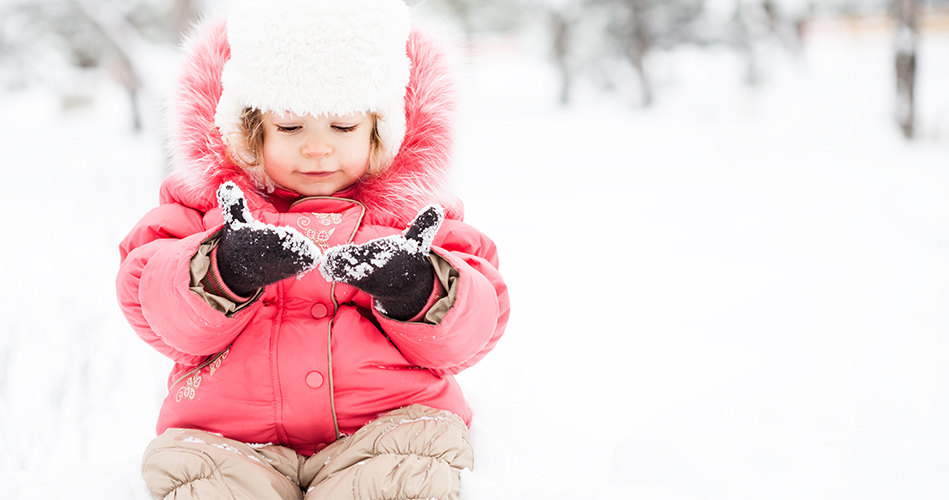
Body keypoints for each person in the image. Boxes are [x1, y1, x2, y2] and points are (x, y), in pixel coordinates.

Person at [115, 0, 509, 498]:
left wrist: (419, 289)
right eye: (291, 127)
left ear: (380, 132)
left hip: (383, 432)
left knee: (414, 468)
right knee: (194, 476)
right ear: (251, 131)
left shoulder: (414, 220)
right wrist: (222, 270)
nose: (317, 148)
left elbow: (474, 327)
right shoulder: (201, 211)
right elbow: (152, 298)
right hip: (231, 441)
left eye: (342, 128)